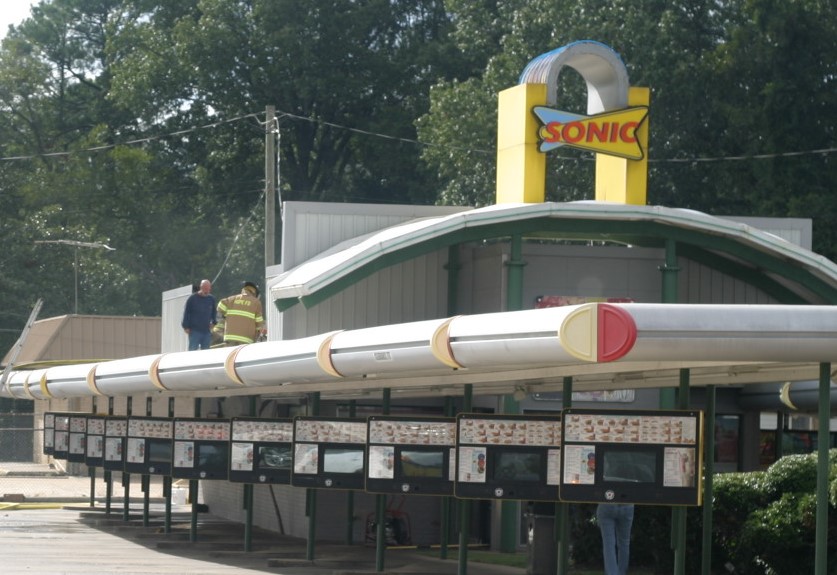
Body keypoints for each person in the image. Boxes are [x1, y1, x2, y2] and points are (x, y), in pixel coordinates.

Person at [214, 281, 266, 345]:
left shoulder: (232, 299)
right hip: (246, 340)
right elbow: (259, 323)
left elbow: (220, 305)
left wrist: (225, 315)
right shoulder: (256, 302)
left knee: (232, 355)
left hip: (229, 337)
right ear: (255, 293)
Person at [597, 502, 634, 575]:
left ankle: (612, 573)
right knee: (624, 543)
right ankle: (622, 572)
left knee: (608, 544)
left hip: (607, 503)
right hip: (627, 503)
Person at [181, 279, 217, 350]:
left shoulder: (211, 299)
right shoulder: (192, 298)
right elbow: (186, 312)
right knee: (193, 351)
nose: (207, 290)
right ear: (201, 287)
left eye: (208, 288)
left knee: (206, 352)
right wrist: (185, 326)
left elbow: (214, 312)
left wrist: (213, 322)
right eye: (205, 288)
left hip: (206, 331)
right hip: (194, 331)